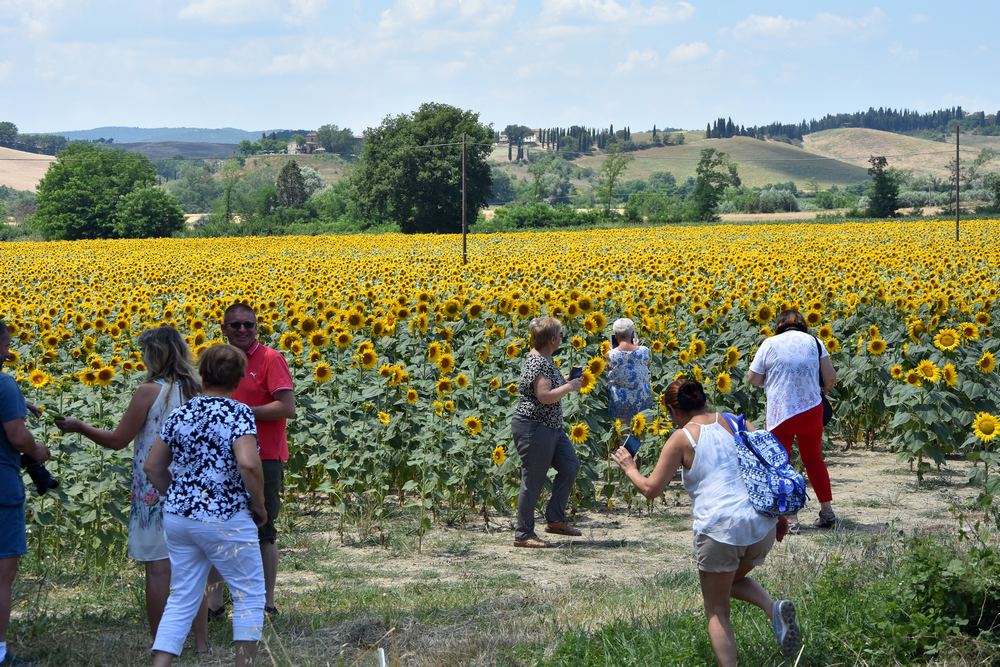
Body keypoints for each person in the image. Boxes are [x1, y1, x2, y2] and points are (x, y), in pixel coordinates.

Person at [611, 379, 800, 666]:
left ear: (674, 411)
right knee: (732, 580)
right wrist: (781, 515)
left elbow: (651, 489)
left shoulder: (682, 438)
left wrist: (629, 467)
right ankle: (773, 609)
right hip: (762, 526)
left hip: (720, 531)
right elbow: (767, 466)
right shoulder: (736, 422)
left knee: (716, 610)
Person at [55, 327, 208, 651]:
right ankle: (201, 644)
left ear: (154, 355)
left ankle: (163, 644)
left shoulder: (149, 392)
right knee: (192, 568)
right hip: (191, 486)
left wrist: (79, 426)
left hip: (153, 488)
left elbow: (118, 440)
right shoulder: (197, 389)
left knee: (158, 569)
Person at [144, 344, 267, 667]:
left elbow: (153, 466)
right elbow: (249, 464)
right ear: (239, 378)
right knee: (249, 594)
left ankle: (160, 664)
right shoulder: (238, 413)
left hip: (180, 519)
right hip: (225, 517)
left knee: (183, 596)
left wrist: (180, 495)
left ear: (202, 374)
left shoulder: (181, 412)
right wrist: (260, 503)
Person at [206, 303, 294, 617]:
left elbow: (286, 407)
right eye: (235, 325)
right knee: (218, 530)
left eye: (248, 325)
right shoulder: (216, 360)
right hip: (218, 455)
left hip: (264, 456)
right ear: (224, 329)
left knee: (264, 528)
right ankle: (214, 606)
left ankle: (266, 603)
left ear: (257, 327)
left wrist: (242, 413)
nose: (242, 330)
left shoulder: (270, 359)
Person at [748, 309, 838, 532]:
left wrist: (773, 382)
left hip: (781, 412)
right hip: (810, 410)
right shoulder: (815, 342)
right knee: (814, 460)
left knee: (781, 464)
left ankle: (791, 519)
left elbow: (753, 378)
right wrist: (818, 391)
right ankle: (827, 511)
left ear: (778, 325)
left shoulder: (769, 344)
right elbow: (830, 378)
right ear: (803, 325)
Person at [1, 320, 51, 667]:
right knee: (2, 575)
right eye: (4, 347)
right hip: (1, 491)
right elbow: (18, 437)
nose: (7, 354)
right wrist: (38, 451)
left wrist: (19, 401)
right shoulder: (4, 384)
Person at [511, 316, 583, 548]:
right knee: (532, 480)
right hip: (534, 426)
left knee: (570, 465)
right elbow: (543, 396)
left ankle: (555, 519)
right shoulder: (538, 362)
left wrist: (563, 380)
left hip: (550, 426)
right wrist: (570, 387)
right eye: (560, 335)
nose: (562, 338)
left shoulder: (543, 358)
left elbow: (547, 386)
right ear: (552, 340)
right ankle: (523, 534)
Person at [605, 318, 653, 427]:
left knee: (623, 433)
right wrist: (637, 346)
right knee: (643, 433)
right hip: (642, 401)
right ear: (632, 335)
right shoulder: (644, 350)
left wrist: (612, 350)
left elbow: (610, 367)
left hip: (621, 403)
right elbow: (647, 366)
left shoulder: (610, 354)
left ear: (615, 336)